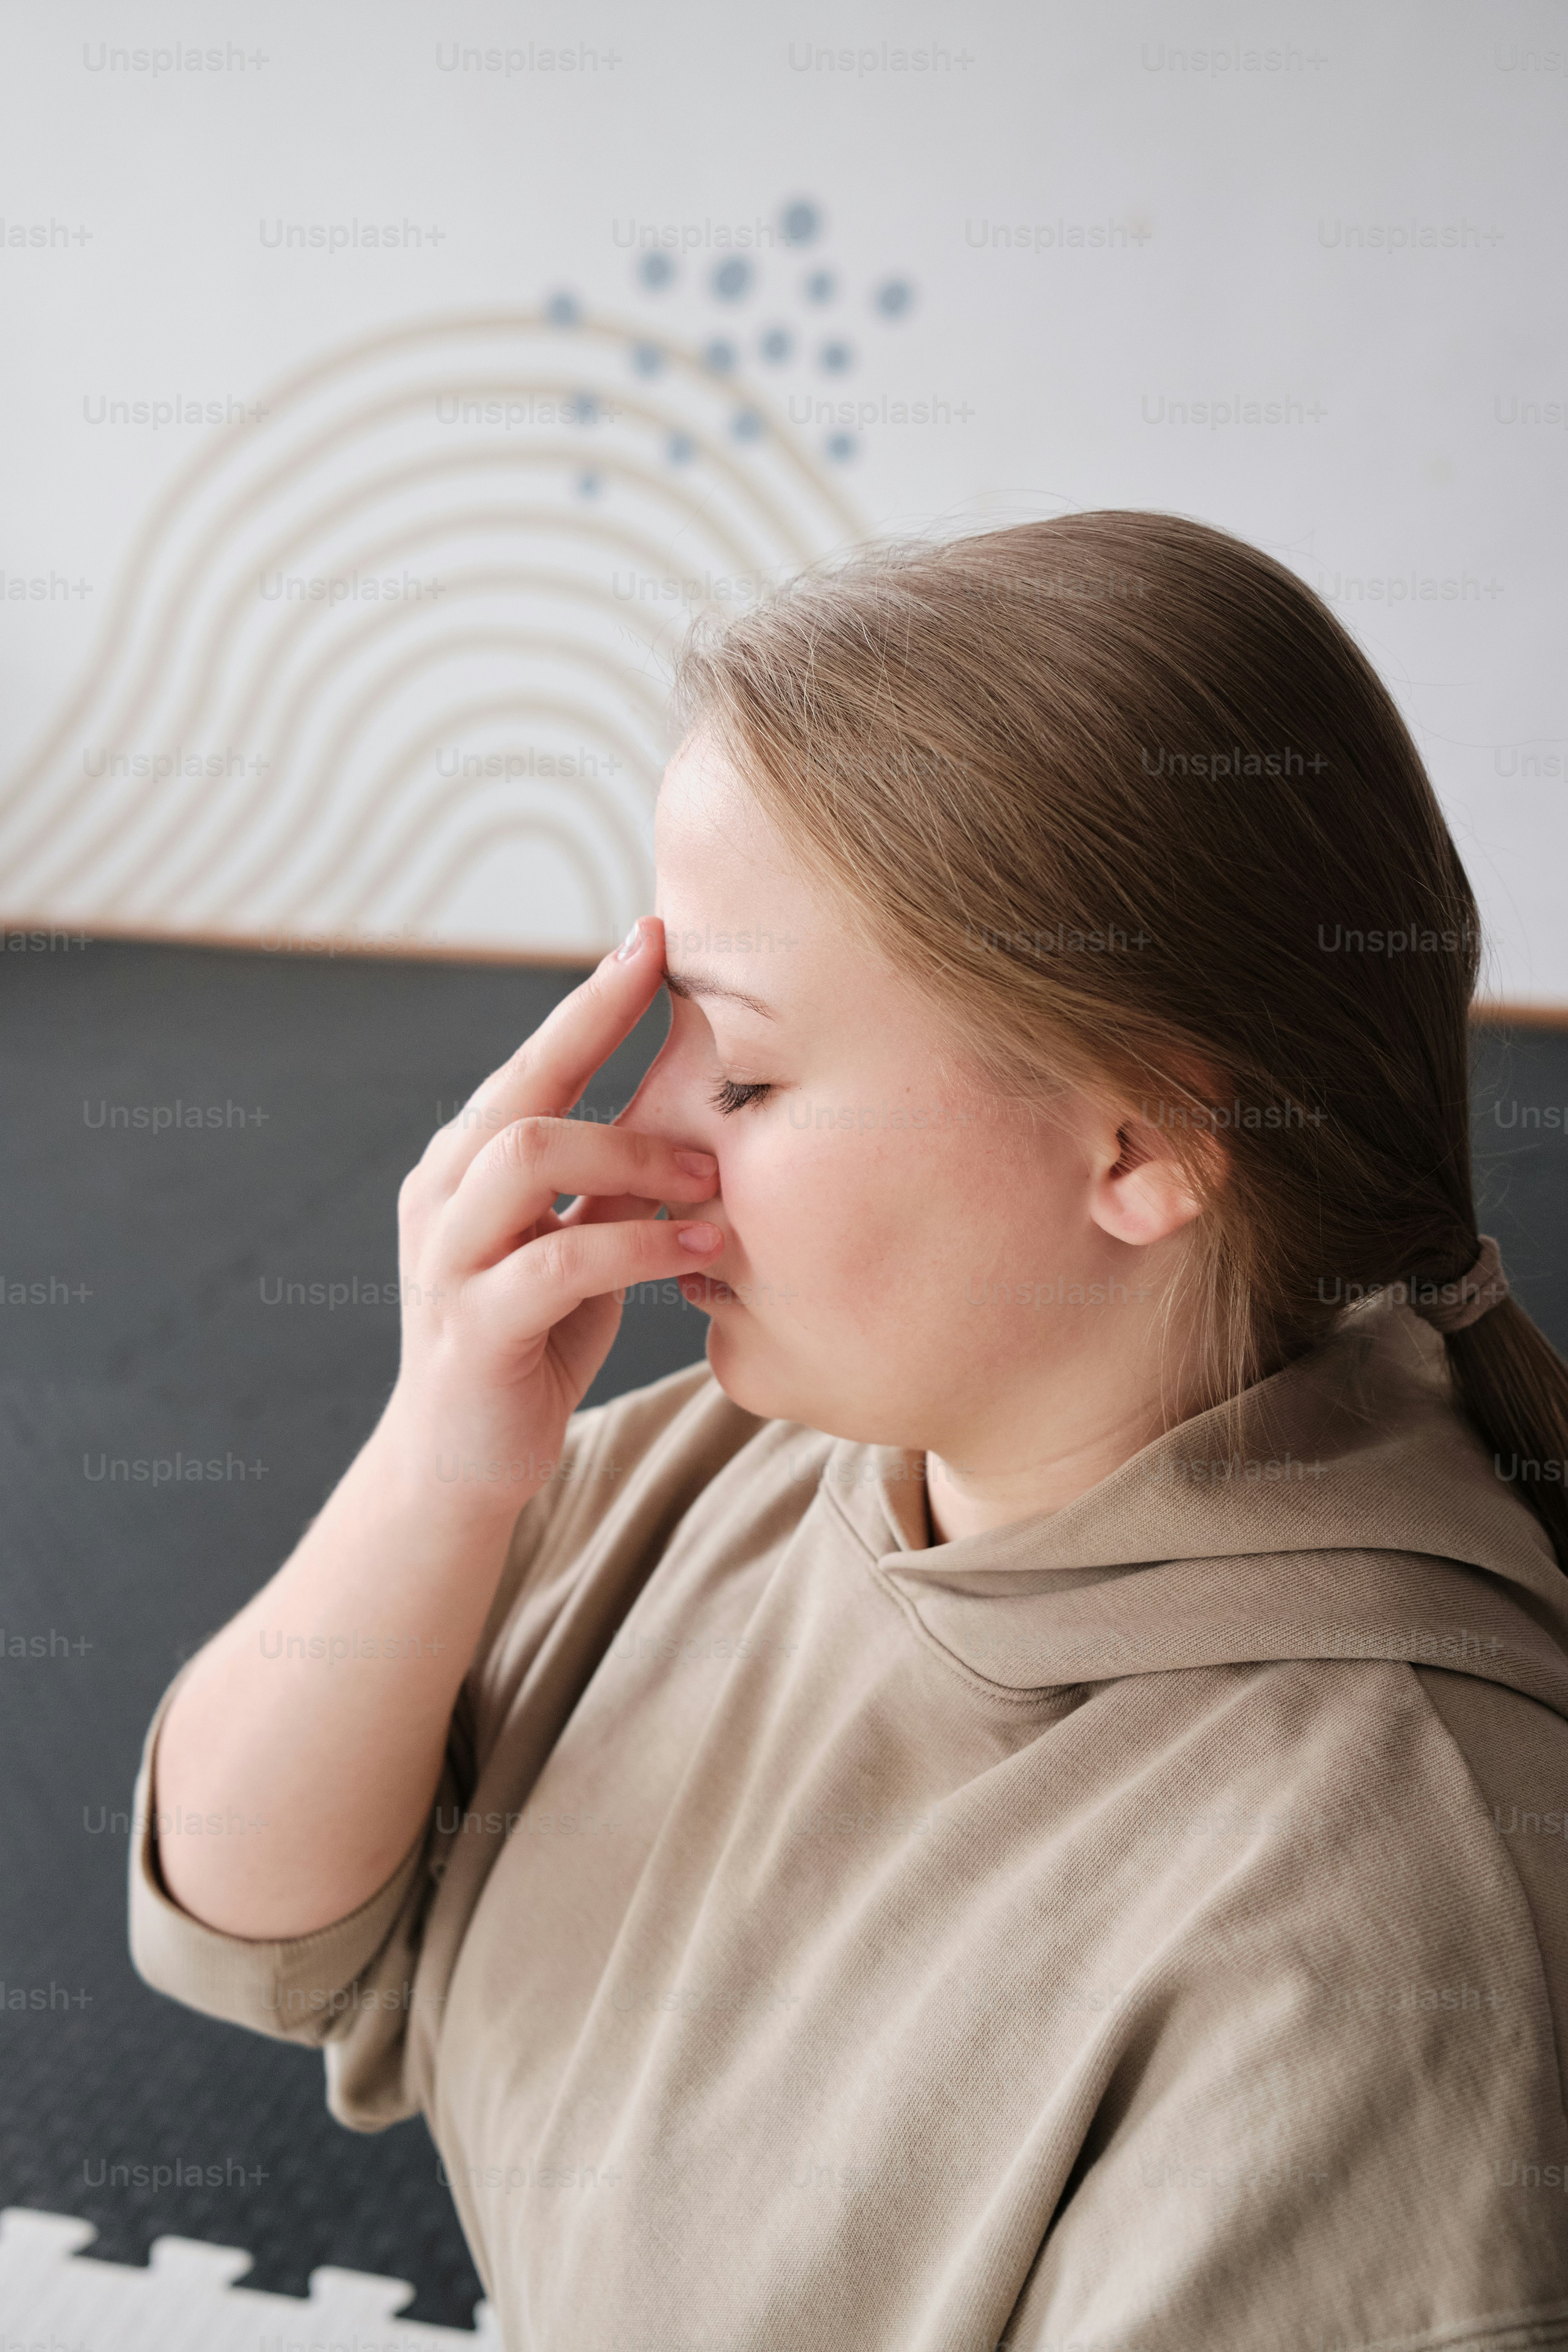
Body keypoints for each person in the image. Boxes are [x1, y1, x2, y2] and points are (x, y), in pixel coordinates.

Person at [130, 512, 1568, 2349]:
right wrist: (443, 1460)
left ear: (1137, 1145)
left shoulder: (1373, 1914)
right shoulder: (734, 1465)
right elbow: (247, 1929)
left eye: (743, 1066)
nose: (634, 1133)